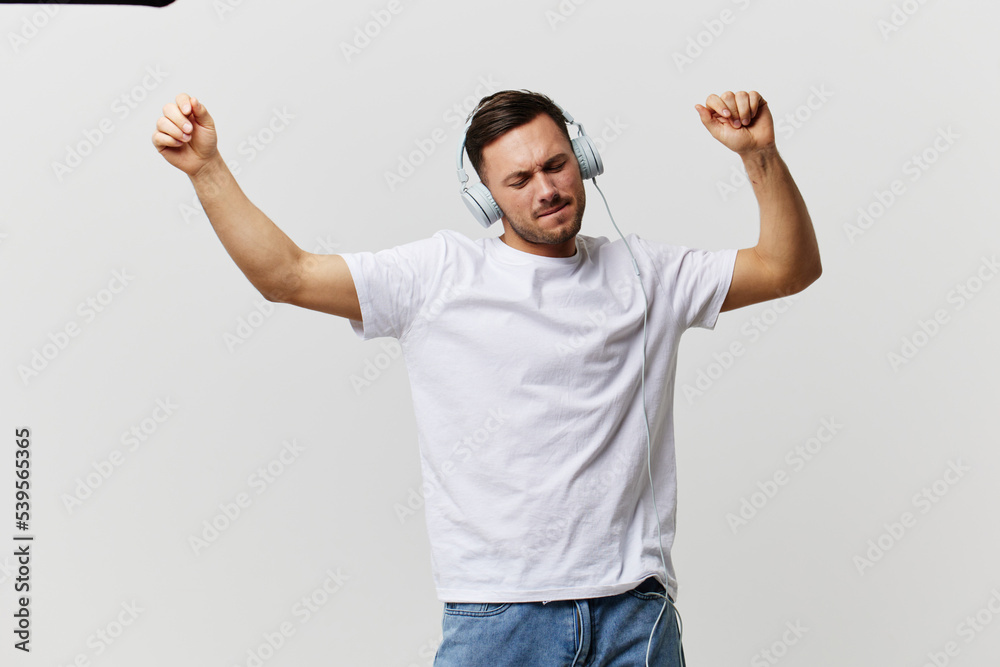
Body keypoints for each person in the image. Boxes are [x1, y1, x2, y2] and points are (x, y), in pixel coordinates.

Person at [152, 88, 821, 666]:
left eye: (557, 164)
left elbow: (788, 268)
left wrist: (757, 154)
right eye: (520, 179)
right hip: (500, 619)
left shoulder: (648, 274)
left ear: (583, 160)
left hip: (633, 614)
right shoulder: (437, 277)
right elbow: (287, 275)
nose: (547, 188)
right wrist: (205, 168)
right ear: (486, 196)